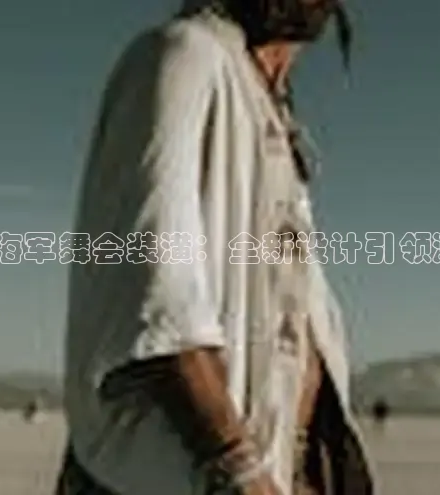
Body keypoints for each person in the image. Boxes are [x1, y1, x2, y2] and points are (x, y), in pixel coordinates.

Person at [54, 1, 374, 494]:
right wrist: (234, 464)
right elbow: (152, 281)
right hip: (185, 475)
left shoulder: (268, 105)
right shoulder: (186, 54)